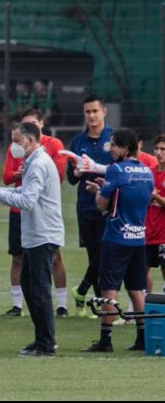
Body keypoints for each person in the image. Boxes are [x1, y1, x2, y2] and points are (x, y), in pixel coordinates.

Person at [0, 122, 65, 358]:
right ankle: (42, 338)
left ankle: (47, 344)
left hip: (42, 234)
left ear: (29, 141)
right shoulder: (33, 162)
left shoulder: (38, 164)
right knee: (29, 285)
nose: (14, 146)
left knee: (38, 289)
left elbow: (28, 201)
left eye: (16, 141)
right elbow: (25, 192)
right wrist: (0, 190)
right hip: (35, 235)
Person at [82, 129, 153, 353]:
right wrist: (108, 187)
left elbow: (102, 205)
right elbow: (132, 197)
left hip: (116, 238)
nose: (110, 149)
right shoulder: (147, 172)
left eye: (113, 145)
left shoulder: (116, 170)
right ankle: (143, 338)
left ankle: (106, 340)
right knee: (136, 289)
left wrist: (99, 190)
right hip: (138, 238)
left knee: (108, 289)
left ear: (124, 148)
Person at [2, 109, 69, 318]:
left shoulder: (43, 156)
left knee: (42, 281)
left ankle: (58, 314)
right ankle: (22, 310)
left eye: (18, 139)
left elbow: (33, 197)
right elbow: (7, 177)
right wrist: (9, 184)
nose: (14, 145)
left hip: (42, 224)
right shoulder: (28, 155)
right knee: (24, 269)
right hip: (26, 217)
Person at [66, 94, 114, 317]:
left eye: (95, 111)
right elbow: (71, 178)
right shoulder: (78, 142)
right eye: (88, 112)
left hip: (109, 205)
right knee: (94, 254)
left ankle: (83, 289)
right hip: (85, 207)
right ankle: (98, 305)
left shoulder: (114, 138)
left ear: (104, 111)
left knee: (104, 254)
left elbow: (120, 169)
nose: (92, 116)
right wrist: (76, 171)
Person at [147, 135, 165, 295]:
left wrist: (155, 196)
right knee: (141, 272)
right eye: (157, 149)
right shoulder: (149, 173)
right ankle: (138, 310)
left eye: (163, 149)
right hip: (147, 233)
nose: (158, 153)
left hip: (164, 235)